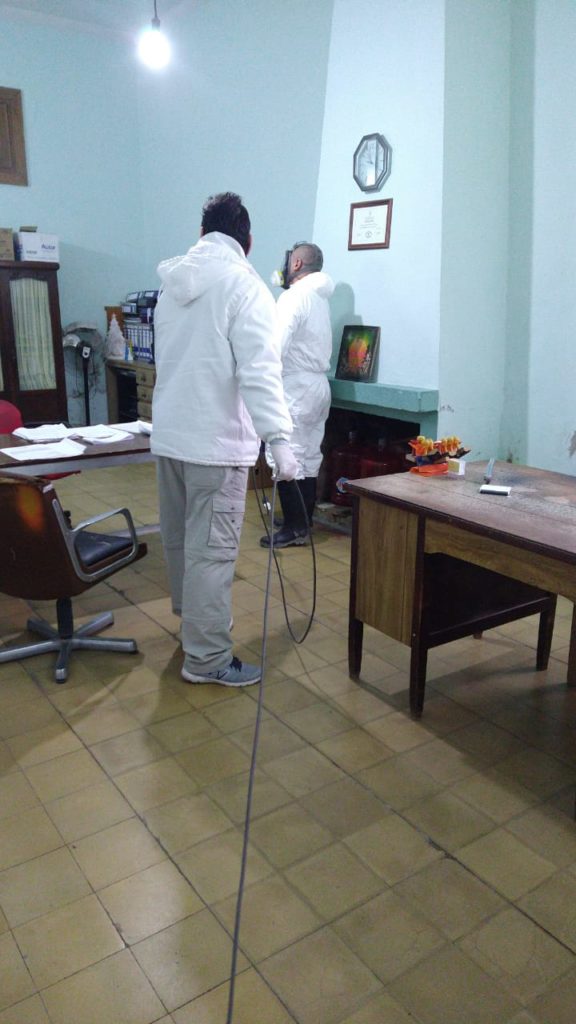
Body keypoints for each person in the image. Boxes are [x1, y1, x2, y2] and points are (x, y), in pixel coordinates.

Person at [151, 192, 298, 687]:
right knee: (211, 554)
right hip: (214, 445)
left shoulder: (171, 286)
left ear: (201, 234)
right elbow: (260, 371)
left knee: (181, 543)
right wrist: (280, 440)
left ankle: (194, 627)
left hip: (170, 439)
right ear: (247, 242)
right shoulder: (245, 286)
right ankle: (208, 658)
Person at [260, 241, 334, 548]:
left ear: (297, 264)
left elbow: (275, 347)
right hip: (318, 387)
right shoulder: (319, 299)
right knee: (308, 454)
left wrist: (260, 380)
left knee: (284, 453)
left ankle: (294, 527)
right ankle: (302, 520)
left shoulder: (294, 297)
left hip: (295, 388)